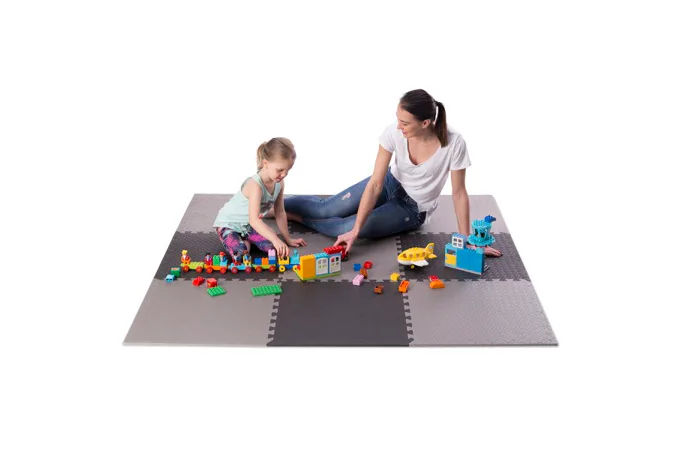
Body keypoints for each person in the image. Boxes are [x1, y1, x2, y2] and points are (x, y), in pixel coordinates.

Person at [283, 89, 502, 257]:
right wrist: (358, 227)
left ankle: (296, 217)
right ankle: (274, 203)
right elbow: (375, 184)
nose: (398, 126)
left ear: (425, 123)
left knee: (344, 227)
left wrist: (467, 240)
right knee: (326, 209)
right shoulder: (394, 133)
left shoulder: (454, 143)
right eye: (398, 119)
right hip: (389, 183)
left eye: (404, 123)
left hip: (413, 207)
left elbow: (459, 193)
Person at [214, 137, 307, 263]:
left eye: (287, 170)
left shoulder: (279, 183)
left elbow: (280, 212)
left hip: (249, 226)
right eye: (280, 170)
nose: (284, 174)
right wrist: (275, 238)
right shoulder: (255, 186)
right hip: (230, 224)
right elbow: (255, 220)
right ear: (265, 163)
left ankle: (246, 239)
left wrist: (287, 239)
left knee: (274, 249)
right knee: (241, 256)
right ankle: (244, 242)